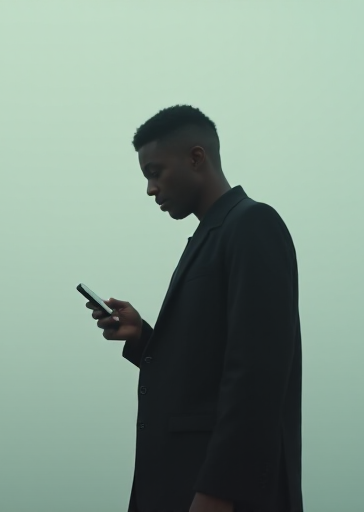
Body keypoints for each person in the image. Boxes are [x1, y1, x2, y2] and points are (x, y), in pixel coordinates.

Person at [86, 105, 303, 512]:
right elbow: (206, 369)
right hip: (183, 488)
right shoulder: (209, 237)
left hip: (222, 495)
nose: (151, 189)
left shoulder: (253, 224)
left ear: (196, 158)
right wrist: (144, 338)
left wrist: (219, 492)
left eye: (155, 172)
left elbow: (257, 373)